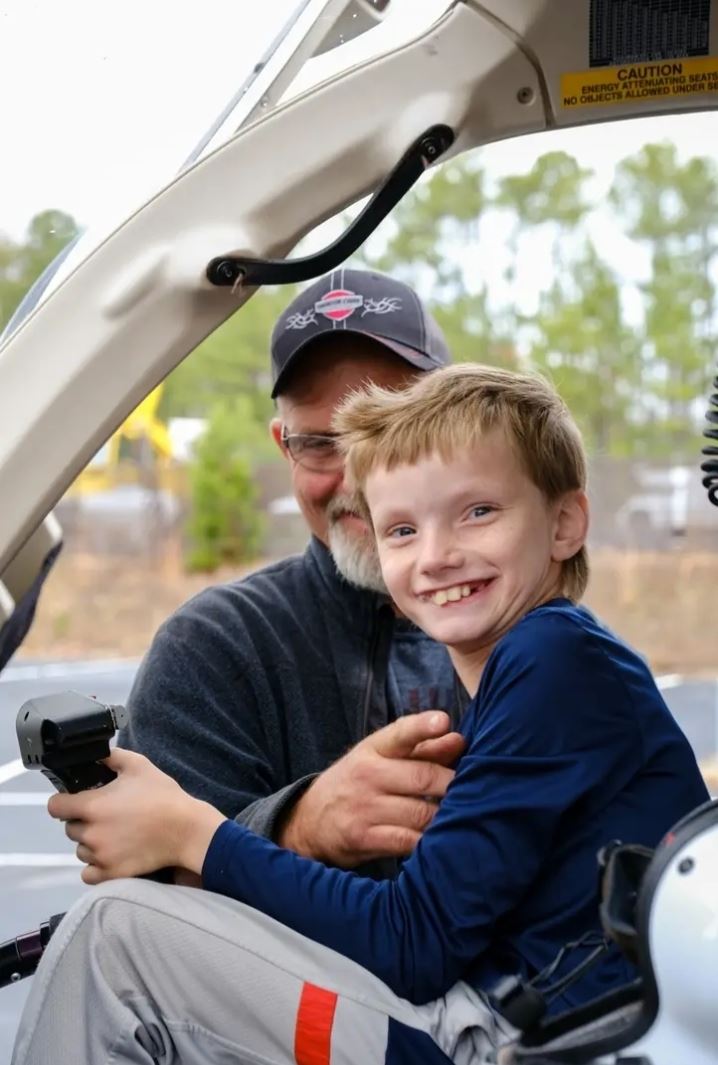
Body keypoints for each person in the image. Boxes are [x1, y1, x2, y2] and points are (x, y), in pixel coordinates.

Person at [12, 364, 709, 1065]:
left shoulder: (551, 658)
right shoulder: (544, 657)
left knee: (115, 936)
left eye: (478, 512)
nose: (436, 555)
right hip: (518, 1014)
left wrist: (196, 834)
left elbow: (414, 943)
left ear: (565, 523)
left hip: (509, 1037)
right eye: (402, 528)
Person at [119, 268, 467, 876]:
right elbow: (150, 902)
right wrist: (299, 826)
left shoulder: (541, 634)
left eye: (385, 431)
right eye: (321, 444)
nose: (358, 478)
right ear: (284, 446)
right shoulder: (214, 649)